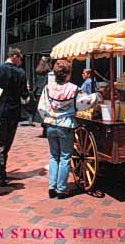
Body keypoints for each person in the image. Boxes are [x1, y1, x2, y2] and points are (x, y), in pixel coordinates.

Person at [38, 60, 98, 199]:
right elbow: (84, 104)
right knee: (65, 158)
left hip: (51, 125)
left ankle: (52, 186)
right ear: (68, 74)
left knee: (54, 156)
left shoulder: (48, 88)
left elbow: (41, 107)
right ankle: (62, 189)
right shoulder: (74, 89)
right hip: (66, 125)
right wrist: (96, 97)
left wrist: (49, 117)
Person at [0, 47, 29, 186]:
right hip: (13, 113)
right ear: (14, 56)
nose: (21, 61)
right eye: (20, 58)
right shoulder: (20, 73)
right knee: (6, 143)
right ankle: (0, 173)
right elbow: (24, 94)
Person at [34, 56, 52, 136]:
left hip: (38, 92)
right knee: (47, 110)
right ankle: (46, 129)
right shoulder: (49, 72)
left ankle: (44, 129)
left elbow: (36, 83)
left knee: (41, 110)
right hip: (46, 93)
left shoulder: (38, 72)